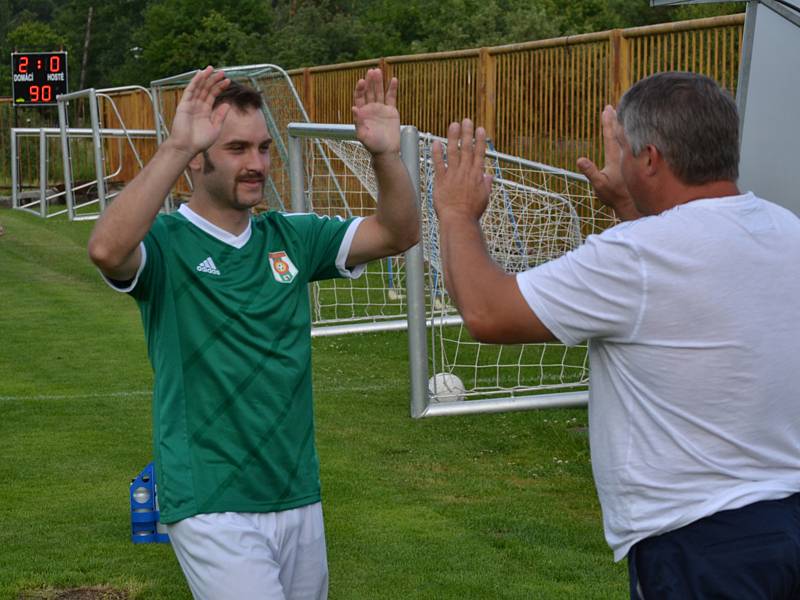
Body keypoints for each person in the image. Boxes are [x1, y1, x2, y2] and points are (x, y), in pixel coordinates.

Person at [432, 71, 800, 599]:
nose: (620, 162)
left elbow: (487, 312)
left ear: (650, 159)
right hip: (786, 521)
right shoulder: (786, 228)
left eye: (625, 149)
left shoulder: (637, 256)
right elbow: (689, 289)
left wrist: (455, 212)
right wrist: (629, 208)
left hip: (700, 542)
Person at [88, 66, 418, 599]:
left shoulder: (292, 235)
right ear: (199, 157)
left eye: (263, 148)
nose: (258, 164)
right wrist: (174, 147)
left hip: (296, 492)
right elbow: (106, 249)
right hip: (208, 498)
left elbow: (398, 233)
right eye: (238, 148)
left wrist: (383, 153)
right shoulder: (168, 244)